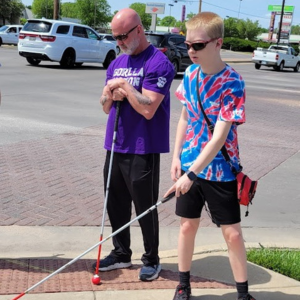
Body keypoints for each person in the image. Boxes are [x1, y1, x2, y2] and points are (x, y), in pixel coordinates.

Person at [164, 12, 256, 300]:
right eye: (187, 44)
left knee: (232, 234)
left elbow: (219, 137)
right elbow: (185, 118)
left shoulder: (233, 82)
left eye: (198, 45)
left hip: (219, 170)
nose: (190, 51)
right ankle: (183, 285)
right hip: (189, 164)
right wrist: (177, 158)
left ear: (218, 43)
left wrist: (192, 175)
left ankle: (242, 294)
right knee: (187, 226)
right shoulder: (190, 74)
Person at [93, 8, 175, 281]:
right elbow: (106, 108)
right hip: (116, 145)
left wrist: (125, 89)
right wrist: (108, 93)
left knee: (144, 206)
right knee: (115, 202)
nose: (119, 42)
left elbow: (149, 109)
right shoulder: (117, 63)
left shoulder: (158, 63)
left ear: (138, 30)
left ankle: (151, 258)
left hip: (143, 147)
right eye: (115, 37)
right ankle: (121, 252)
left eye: (122, 36)